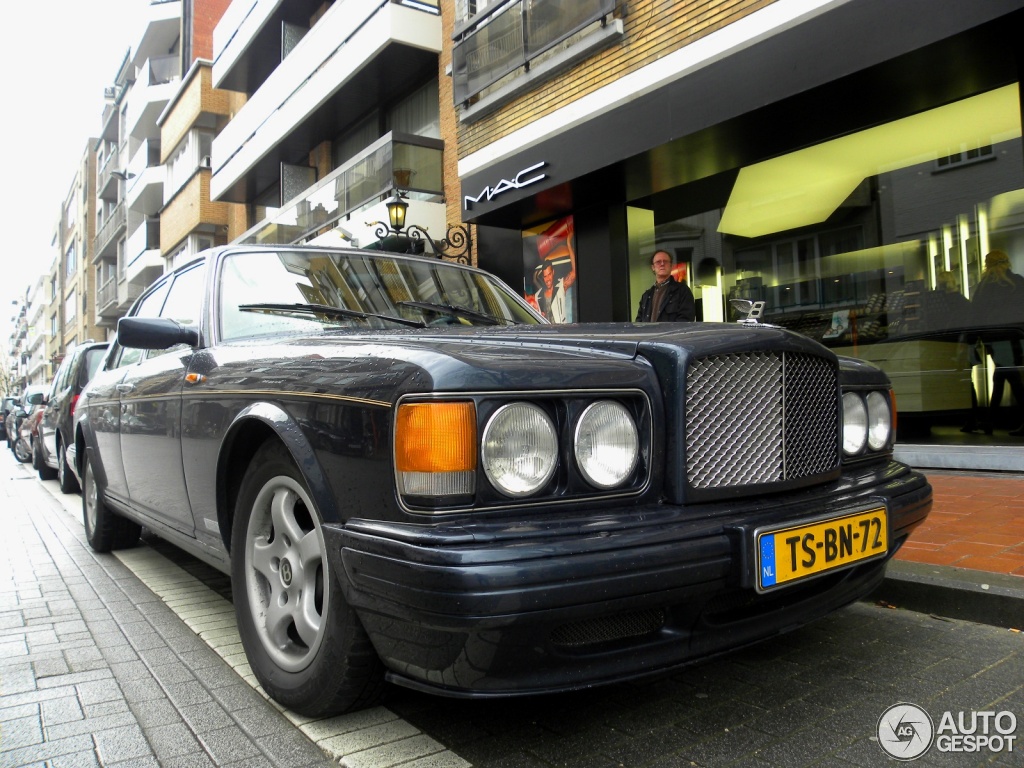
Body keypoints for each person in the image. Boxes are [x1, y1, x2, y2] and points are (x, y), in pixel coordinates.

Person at [966, 249, 1024, 435]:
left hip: (996, 339)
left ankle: (990, 420)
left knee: (1007, 377)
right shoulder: (1018, 282)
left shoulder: (985, 287)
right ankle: (990, 420)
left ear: (987, 265)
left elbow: (975, 316)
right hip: (1017, 337)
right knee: (1004, 376)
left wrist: (972, 341)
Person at [635, 250, 696, 322]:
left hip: (672, 333)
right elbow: (639, 323)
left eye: (666, 261)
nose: (662, 264)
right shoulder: (646, 296)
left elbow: (686, 319)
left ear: (671, 266)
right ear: (653, 267)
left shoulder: (682, 291)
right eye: (658, 262)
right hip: (649, 333)